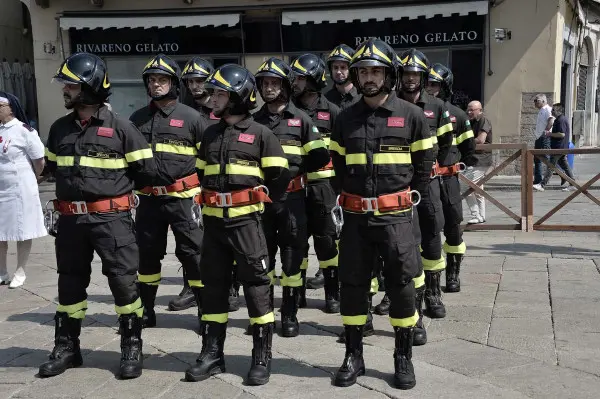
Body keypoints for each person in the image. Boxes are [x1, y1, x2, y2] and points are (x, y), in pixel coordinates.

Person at [39, 52, 156, 379]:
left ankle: (132, 345)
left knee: (123, 283)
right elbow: (50, 169)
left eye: (71, 86)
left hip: (111, 221)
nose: (65, 91)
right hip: (71, 223)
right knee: (69, 283)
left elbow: (146, 172)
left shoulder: (122, 128)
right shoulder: (59, 128)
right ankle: (67, 346)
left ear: (89, 87)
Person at [330, 38, 434, 390]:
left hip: (397, 218)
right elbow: (339, 169)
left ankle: (402, 357)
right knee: (354, 285)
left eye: (376, 71)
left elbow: (423, 170)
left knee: (402, 285)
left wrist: (406, 207)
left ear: (389, 75)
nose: (368, 78)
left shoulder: (413, 116)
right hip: (357, 220)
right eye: (362, 72)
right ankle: (353, 355)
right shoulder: (344, 119)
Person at [186, 64, 290, 385]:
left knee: (258, 287)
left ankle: (261, 357)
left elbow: (279, 178)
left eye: (219, 93)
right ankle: (212, 353)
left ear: (237, 96)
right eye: (214, 92)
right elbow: (201, 173)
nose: (212, 98)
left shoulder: (262, 134)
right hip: (214, 228)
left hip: (247, 225)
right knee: (213, 287)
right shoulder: (209, 133)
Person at [129, 54, 206, 329]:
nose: (156, 84)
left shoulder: (193, 118)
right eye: (152, 80)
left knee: (194, 254)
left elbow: (207, 161)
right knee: (147, 255)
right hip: (149, 201)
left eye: (162, 79)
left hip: (184, 199)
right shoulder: (136, 119)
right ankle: (147, 310)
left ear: (174, 83)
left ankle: (205, 312)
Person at [254, 58, 330, 335]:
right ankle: (263, 316)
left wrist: (295, 175)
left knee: (291, 260)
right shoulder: (253, 120)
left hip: (293, 200)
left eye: (275, 83)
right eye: (265, 83)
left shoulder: (301, 120)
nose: (269, 88)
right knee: (261, 259)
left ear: (286, 86)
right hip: (261, 203)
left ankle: (289, 314)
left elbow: (320, 156)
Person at [397, 49, 453, 329]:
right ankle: (404, 295)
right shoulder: (392, 105)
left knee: (432, 233)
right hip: (400, 185)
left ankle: (433, 292)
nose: (410, 79)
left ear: (423, 76)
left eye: (415, 74)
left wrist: (433, 167)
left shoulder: (438, 107)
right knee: (402, 239)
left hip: (428, 183)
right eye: (406, 74)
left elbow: (446, 144)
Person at [290, 54, 341, 312]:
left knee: (327, 240)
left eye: (299, 78)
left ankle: (332, 292)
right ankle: (297, 294)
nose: (294, 82)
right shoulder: (288, 110)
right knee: (296, 240)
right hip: (295, 189)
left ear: (314, 79)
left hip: (325, 189)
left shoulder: (332, 111)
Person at [166, 57, 216, 313]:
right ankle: (191, 287)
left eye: (200, 81)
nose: (195, 86)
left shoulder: (223, 106)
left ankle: (227, 287)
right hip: (189, 187)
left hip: (220, 183)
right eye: (191, 82)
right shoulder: (181, 109)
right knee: (191, 243)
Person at [426, 63, 476, 293]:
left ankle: (453, 274)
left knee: (453, 226)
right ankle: (427, 279)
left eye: (435, 84)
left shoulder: (458, 115)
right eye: (428, 83)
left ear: (445, 86)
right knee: (426, 228)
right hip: (425, 181)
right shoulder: (415, 111)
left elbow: (469, 150)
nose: (430, 88)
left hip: (448, 180)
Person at [0, 94, 46, 288]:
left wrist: (33, 178)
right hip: (1, 187)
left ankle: (20, 270)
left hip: (20, 187)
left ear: (11, 108)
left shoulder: (24, 130)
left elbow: (39, 161)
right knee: (0, 232)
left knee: (22, 229)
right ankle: (2, 271)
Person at [535, 103, 576, 191]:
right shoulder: (561, 119)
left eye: (553, 110)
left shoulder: (561, 120)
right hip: (561, 147)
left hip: (559, 147)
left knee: (551, 166)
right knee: (565, 165)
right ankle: (572, 183)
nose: (551, 111)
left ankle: (542, 185)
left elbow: (562, 134)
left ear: (558, 111)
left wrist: (549, 134)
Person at [465, 100, 493, 223]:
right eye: (468, 109)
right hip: (473, 159)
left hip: (480, 159)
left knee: (464, 186)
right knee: (478, 189)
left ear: (480, 110)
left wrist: (464, 141)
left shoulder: (483, 120)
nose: (469, 112)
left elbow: (481, 140)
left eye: (472, 110)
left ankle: (476, 215)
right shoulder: (470, 122)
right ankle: (481, 215)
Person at [324, 44, 361, 110]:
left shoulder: (362, 98)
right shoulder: (325, 100)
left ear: (352, 70)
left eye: (343, 67)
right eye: (335, 67)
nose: (338, 72)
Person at [533, 94, 554, 188]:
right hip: (538, 138)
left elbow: (551, 120)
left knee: (546, 158)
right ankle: (537, 179)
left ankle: (547, 180)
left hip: (544, 138)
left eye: (536, 100)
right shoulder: (541, 110)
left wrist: (546, 131)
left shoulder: (547, 109)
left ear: (543, 101)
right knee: (537, 158)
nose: (535, 102)